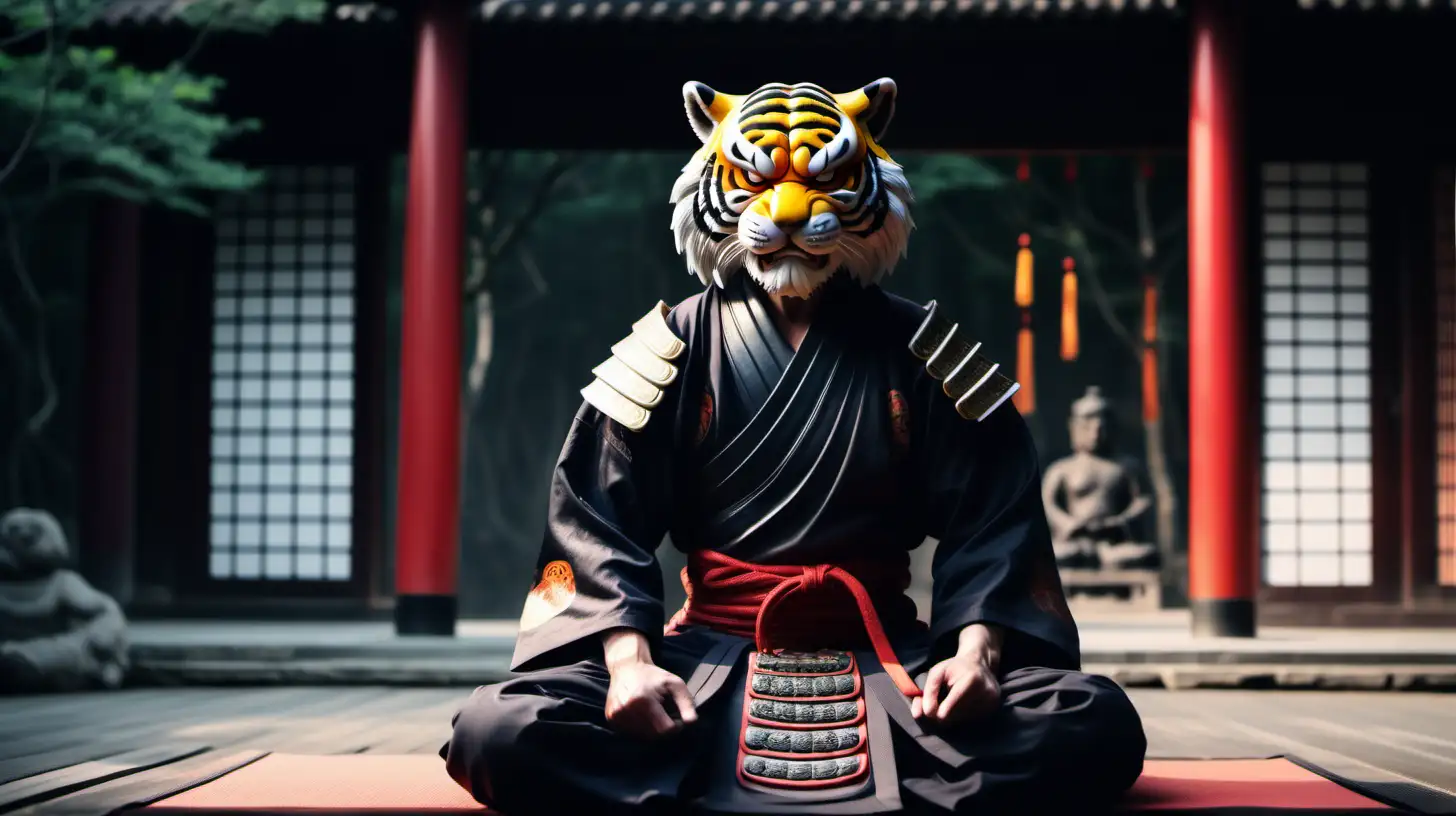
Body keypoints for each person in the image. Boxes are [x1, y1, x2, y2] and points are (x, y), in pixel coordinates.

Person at [441, 79, 1146, 815]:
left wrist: (975, 655)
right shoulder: (673, 345)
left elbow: (997, 523)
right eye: (752, 179)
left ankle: (688, 791)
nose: (784, 211)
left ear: (871, 186)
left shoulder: (920, 351)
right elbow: (593, 525)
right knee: (501, 730)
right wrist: (627, 665)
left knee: (1089, 723)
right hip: (703, 664)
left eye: (826, 179)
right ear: (711, 180)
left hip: (890, 661)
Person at [1042, 386, 1157, 570]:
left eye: (1102, 426)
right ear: (1074, 428)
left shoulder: (1127, 467)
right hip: (1074, 540)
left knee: (1143, 554)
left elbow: (1142, 501)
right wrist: (1069, 525)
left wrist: (1120, 523)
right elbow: (1048, 504)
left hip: (1114, 542)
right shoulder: (1062, 469)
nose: (1095, 433)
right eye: (1087, 426)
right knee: (1056, 556)